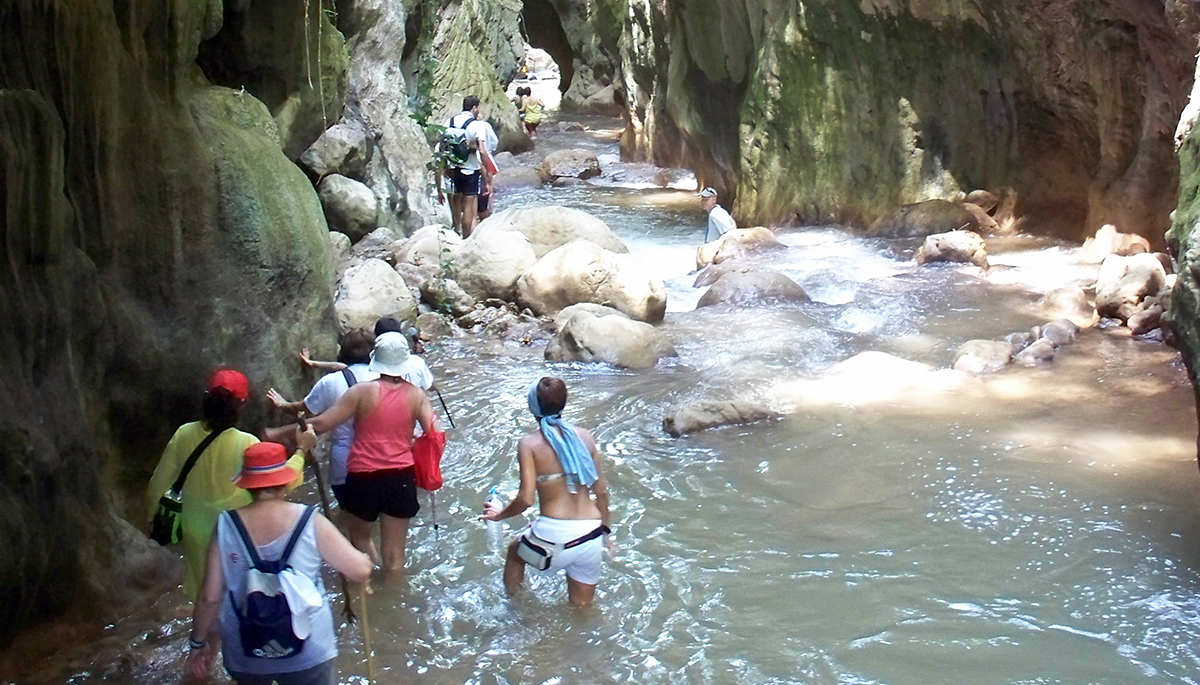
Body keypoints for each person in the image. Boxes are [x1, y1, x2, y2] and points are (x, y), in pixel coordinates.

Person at [185, 439, 373, 685]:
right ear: (285, 482)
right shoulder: (309, 520)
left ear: (248, 486)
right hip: (309, 650)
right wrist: (366, 561)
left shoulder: (226, 525)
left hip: (246, 652)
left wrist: (197, 644)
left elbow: (210, 597)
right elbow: (358, 571)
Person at [270, 332, 436, 571]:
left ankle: (368, 586)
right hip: (401, 476)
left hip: (363, 476)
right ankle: (392, 594)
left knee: (359, 537)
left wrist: (290, 433)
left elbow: (322, 423)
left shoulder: (361, 392)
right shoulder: (417, 395)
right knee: (395, 558)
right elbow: (434, 434)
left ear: (375, 359)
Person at [146, 369, 304, 598]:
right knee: (239, 598)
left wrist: (152, 518)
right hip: (237, 530)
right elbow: (284, 481)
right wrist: (301, 450)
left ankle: (209, 634)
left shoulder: (183, 434)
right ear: (241, 405)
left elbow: (158, 484)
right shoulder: (246, 443)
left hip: (195, 528)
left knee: (205, 597)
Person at [482, 377, 613, 607]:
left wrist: (499, 515)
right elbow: (601, 492)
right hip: (591, 535)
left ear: (532, 406)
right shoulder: (585, 437)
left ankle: (517, 614)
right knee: (582, 609)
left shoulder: (529, 443)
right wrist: (607, 536)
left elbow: (525, 499)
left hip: (555, 533)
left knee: (514, 551)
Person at [266, 329, 379, 510]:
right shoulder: (387, 380)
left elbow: (304, 408)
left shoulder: (331, 382)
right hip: (381, 461)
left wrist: (282, 404)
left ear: (342, 352)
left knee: (354, 522)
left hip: (345, 465)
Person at [436, 95, 494, 238]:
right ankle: (466, 238)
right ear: (474, 108)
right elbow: (482, 150)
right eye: (478, 108)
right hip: (470, 170)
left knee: (456, 201)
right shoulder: (476, 125)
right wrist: (488, 174)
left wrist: (439, 188)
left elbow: (441, 148)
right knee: (469, 205)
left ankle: (456, 230)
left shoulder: (448, 122)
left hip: (451, 169)